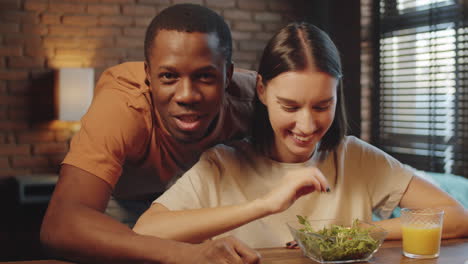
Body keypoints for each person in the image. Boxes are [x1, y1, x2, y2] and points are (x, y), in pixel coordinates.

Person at [133, 22, 468, 248]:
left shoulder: (356, 157)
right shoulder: (222, 164)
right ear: (262, 91)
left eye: (322, 106)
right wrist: (265, 204)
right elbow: (146, 232)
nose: (307, 127)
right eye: (290, 107)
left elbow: (456, 217)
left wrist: (365, 230)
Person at [40, 4, 261, 264]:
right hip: (125, 209)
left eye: (204, 77)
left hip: (204, 209)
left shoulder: (256, 101)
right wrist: (186, 254)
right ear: (148, 75)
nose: (186, 95)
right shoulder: (122, 105)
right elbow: (62, 222)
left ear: (228, 76)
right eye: (168, 76)